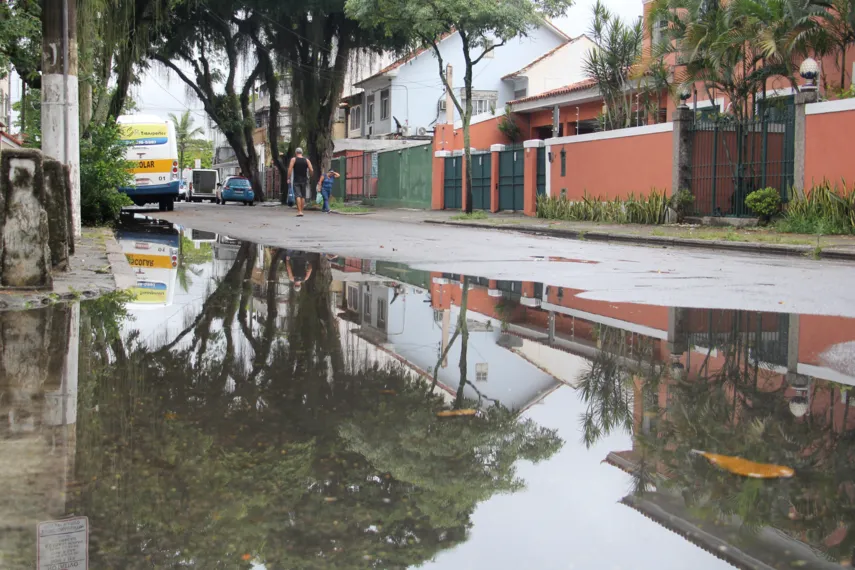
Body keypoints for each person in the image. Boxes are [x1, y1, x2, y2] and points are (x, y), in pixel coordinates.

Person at [287, 148, 314, 217]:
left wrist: (288, 178)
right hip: (304, 180)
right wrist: (311, 175)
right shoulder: (307, 160)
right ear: (302, 153)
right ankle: (301, 211)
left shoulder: (294, 159)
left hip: (296, 180)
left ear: (296, 153)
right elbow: (311, 169)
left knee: (298, 195)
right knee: (303, 196)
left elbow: (290, 169)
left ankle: (299, 211)